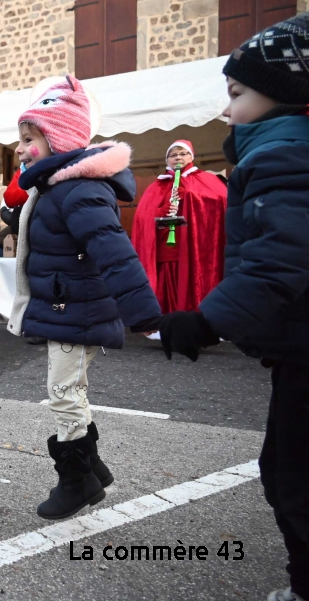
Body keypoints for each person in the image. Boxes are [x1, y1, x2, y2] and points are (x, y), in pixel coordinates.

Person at [159, 14, 309, 601]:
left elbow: (279, 259)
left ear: (286, 95)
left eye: (238, 94)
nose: (227, 110)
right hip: (294, 344)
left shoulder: (285, 157)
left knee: (293, 479)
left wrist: (206, 321)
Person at [6, 76, 161, 520]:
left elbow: (115, 253)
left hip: (77, 310)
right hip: (69, 306)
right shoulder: (58, 186)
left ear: (58, 138)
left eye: (28, 138)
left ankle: (77, 480)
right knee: (71, 389)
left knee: (62, 390)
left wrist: (145, 315)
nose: (20, 148)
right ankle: (92, 467)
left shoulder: (80, 189)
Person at [131, 140, 227, 314]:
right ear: (167, 160)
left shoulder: (207, 180)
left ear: (191, 156)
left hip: (196, 245)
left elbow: (221, 203)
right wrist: (162, 210)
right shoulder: (157, 186)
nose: (178, 158)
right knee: (169, 280)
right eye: (173, 155)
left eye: (183, 153)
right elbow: (143, 218)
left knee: (195, 278)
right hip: (168, 245)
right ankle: (169, 320)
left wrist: (191, 195)